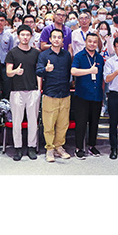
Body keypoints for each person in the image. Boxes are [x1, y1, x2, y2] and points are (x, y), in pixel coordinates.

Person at [36, 28, 73, 162]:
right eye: (54, 37)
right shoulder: (44, 55)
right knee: (49, 124)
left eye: (59, 37)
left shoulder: (66, 55)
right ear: (50, 39)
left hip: (65, 93)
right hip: (50, 94)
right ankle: (50, 148)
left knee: (63, 124)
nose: (56, 39)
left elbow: (70, 73)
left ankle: (59, 147)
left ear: (63, 40)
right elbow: (38, 71)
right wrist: (46, 69)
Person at [5, 25, 41, 161]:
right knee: (17, 121)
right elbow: (8, 72)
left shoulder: (36, 53)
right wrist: (16, 71)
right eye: (22, 35)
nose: (25, 37)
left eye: (27, 35)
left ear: (31, 37)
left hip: (33, 90)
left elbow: (39, 72)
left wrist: (39, 89)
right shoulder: (12, 53)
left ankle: (32, 147)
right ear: (18, 36)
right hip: (16, 91)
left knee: (33, 121)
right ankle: (18, 148)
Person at [71, 32, 105, 159]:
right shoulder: (79, 56)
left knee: (94, 122)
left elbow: (102, 78)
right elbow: (73, 71)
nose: (92, 44)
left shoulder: (100, 58)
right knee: (81, 123)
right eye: (90, 41)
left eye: (95, 42)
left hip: (96, 95)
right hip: (82, 95)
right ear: (85, 42)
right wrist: (89, 71)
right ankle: (79, 148)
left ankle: (92, 146)